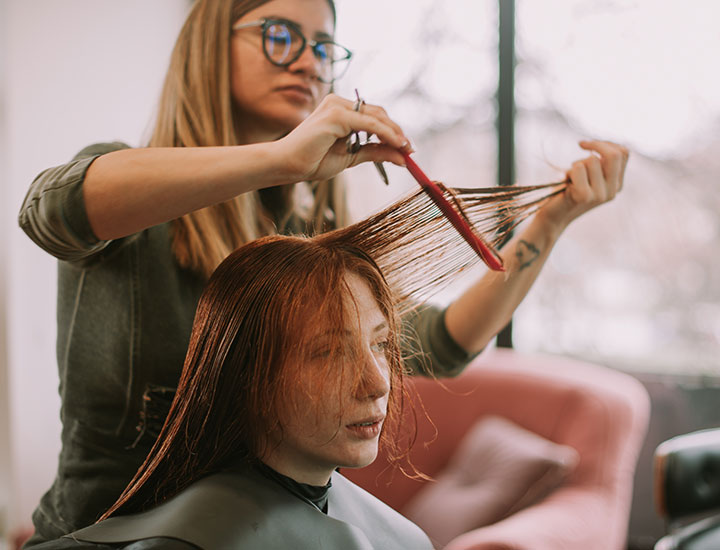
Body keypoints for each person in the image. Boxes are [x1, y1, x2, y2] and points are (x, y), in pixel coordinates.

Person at [18, 0, 629, 545]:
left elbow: (440, 345)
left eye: (322, 47)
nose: (309, 63)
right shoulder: (134, 202)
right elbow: (49, 210)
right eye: (280, 35)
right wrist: (282, 159)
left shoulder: (303, 234)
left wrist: (549, 224)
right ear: (209, 45)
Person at [30, 212, 457, 549]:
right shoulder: (194, 539)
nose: (377, 383)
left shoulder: (401, 537)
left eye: (380, 344)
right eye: (329, 351)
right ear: (248, 375)